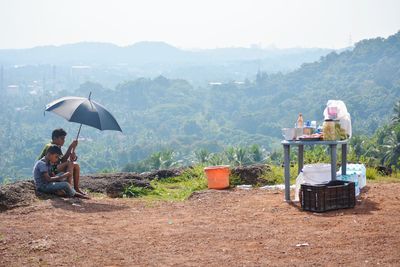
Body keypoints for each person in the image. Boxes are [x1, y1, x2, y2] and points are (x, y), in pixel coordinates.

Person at [38, 128, 86, 195]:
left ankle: (76, 188)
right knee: (69, 163)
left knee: (76, 165)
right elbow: (62, 161)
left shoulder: (58, 146)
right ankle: (69, 189)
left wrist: (72, 153)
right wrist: (70, 147)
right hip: (49, 169)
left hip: (54, 167)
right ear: (55, 138)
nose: (64, 141)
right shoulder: (51, 147)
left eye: (64, 139)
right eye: (62, 138)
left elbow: (62, 159)